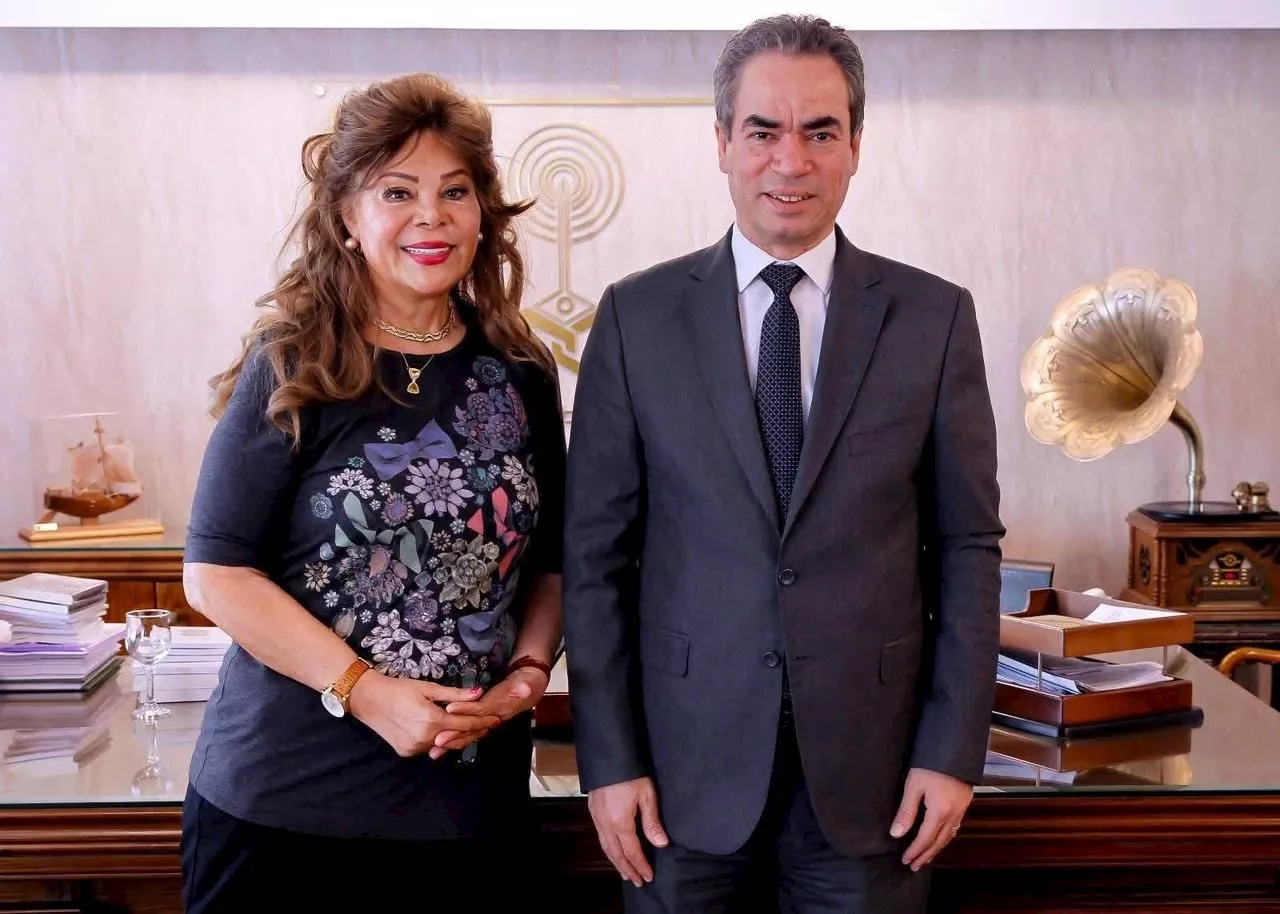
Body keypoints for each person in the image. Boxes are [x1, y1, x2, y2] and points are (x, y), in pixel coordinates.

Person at [563, 13, 1004, 913]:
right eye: (763, 131)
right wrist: (607, 761)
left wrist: (953, 751)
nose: (790, 161)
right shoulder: (636, 318)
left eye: (820, 132)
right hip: (678, 782)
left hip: (876, 784)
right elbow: (595, 560)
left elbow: (968, 546)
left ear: (855, 148)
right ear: (723, 142)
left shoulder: (934, 319)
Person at [179, 73, 565, 912]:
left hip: (472, 807)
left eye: (454, 191)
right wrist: (366, 691)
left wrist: (530, 671)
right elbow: (216, 573)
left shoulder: (521, 370)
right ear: (348, 218)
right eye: (398, 192)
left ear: (482, 214)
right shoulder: (295, 361)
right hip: (288, 806)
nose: (432, 216)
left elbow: (552, 561)